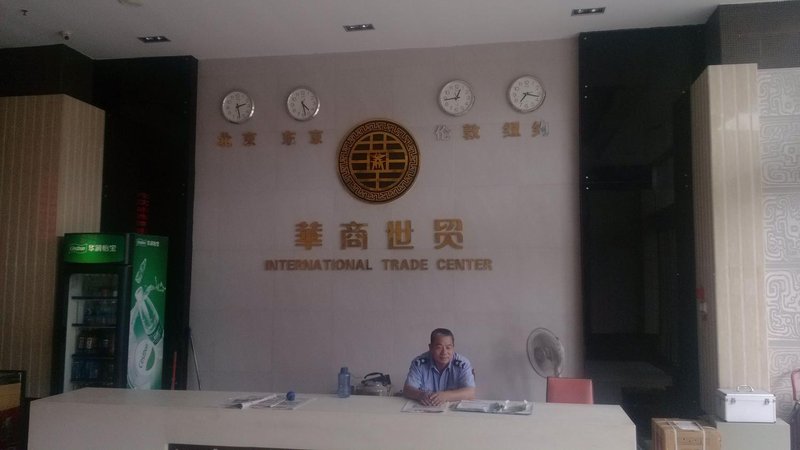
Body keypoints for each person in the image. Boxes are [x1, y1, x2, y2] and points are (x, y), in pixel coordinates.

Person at [402, 328, 476, 406]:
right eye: (439, 347)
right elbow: (407, 390)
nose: (444, 352)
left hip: (453, 410)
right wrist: (421, 395)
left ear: (453, 348)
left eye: (448, 347)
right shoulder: (420, 364)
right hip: (426, 409)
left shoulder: (462, 364)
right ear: (430, 347)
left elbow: (470, 393)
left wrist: (445, 396)